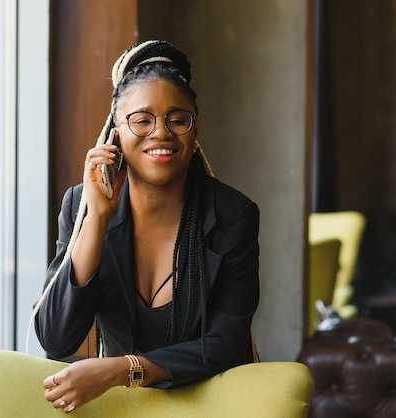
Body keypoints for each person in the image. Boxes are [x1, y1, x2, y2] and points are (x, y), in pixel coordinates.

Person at [34, 40, 260, 413]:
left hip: (206, 404)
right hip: (119, 409)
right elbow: (56, 338)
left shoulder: (233, 214)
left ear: (194, 131)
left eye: (177, 119)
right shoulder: (81, 205)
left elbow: (226, 345)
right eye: (141, 120)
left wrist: (121, 370)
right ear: (115, 133)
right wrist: (97, 219)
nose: (161, 133)